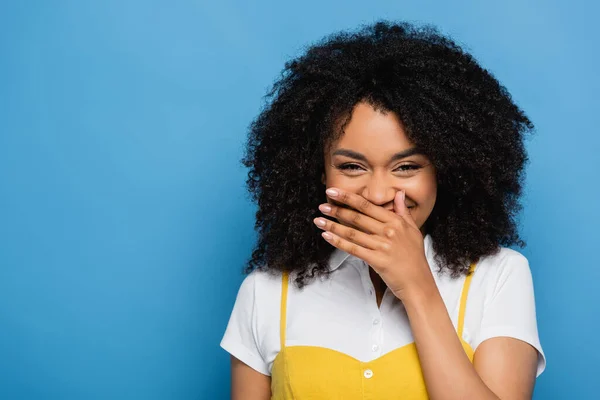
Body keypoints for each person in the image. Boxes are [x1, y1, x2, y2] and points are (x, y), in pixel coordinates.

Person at [220, 20, 546, 399]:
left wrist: (417, 286)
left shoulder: (499, 276)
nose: (377, 193)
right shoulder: (265, 292)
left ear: (447, 168)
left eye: (406, 167)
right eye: (351, 167)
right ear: (315, 171)